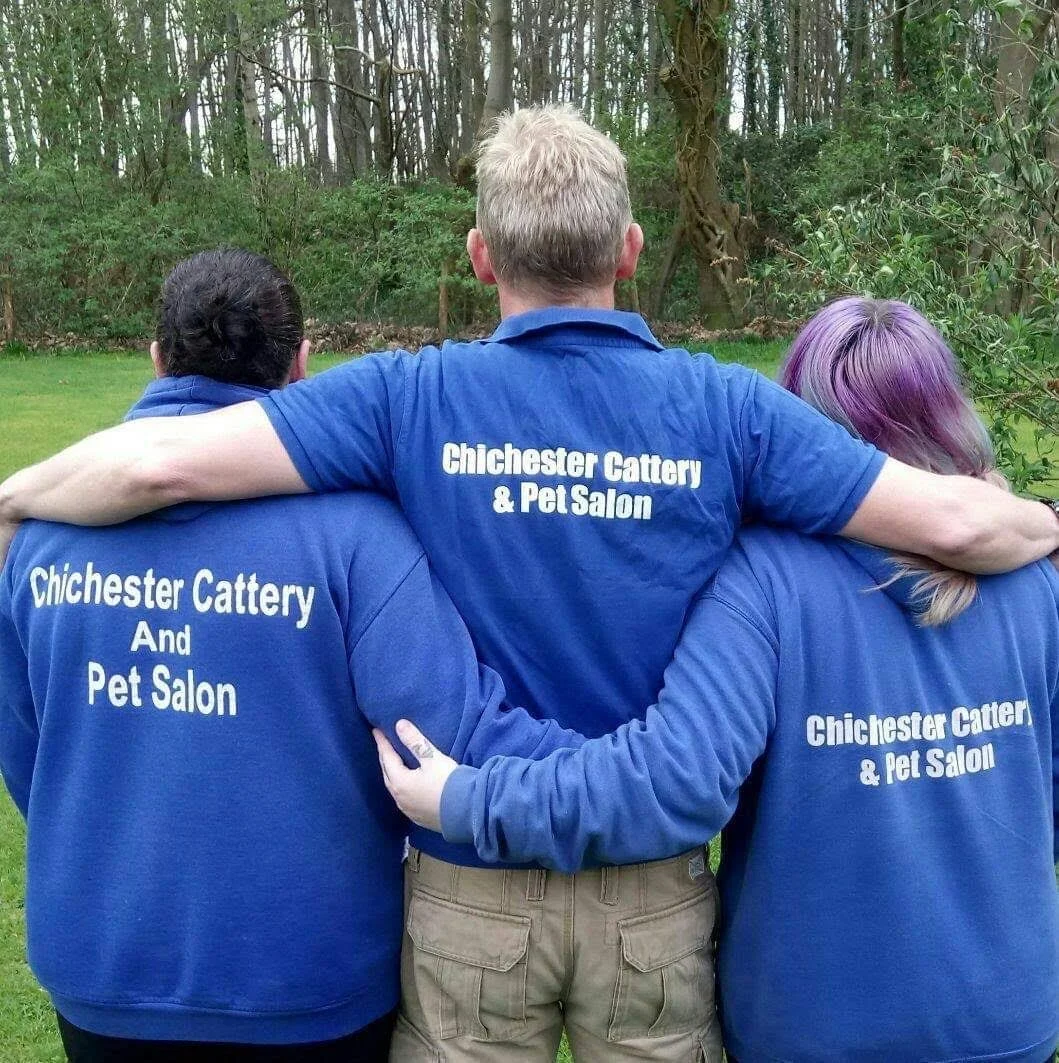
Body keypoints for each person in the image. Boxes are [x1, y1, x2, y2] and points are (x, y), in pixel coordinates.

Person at [0, 110, 1057, 1063]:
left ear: (479, 255)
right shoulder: (728, 412)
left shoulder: (409, 398)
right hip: (651, 877)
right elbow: (958, 519)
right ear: (630, 253)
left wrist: (14, 503)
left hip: (471, 879)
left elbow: (155, 466)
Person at [377, 298, 1059, 1063]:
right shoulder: (1034, 586)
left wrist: (470, 799)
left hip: (813, 1026)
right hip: (1004, 1017)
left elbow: (671, 784)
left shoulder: (767, 584)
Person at [0, 248, 580, 1063]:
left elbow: (31, 760)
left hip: (107, 964)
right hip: (308, 972)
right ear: (303, 367)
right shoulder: (357, 536)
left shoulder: (42, 538)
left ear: (157, 357)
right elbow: (441, 735)